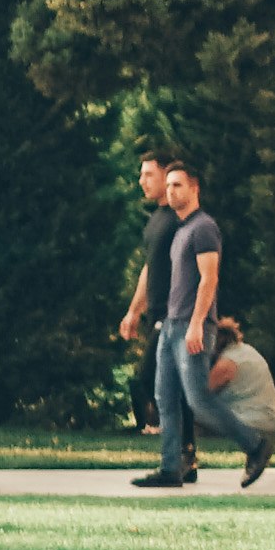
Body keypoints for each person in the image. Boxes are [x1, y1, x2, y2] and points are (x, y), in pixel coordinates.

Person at [130, 159, 275, 490]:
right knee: (164, 397)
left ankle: (255, 446)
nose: (171, 190)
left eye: (177, 184)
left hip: (192, 327)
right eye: (168, 185)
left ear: (194, 188)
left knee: (198, 399)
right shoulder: (180, 231)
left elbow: (209, 279)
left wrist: (197, 323)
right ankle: (171, 469)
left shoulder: (204, 227)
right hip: (170, 324)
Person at [116, 149, 177, 435]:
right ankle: (182, 451)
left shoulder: (180, 219)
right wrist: (133, 311)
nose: (142, 181)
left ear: (167, 174)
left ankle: (173, 441)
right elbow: (149, 268)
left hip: (174, 313)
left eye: (149, 174)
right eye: (141, 175)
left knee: (151, 377)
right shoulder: (157, 219)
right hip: (155, 312)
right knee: (157, 380)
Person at [205, 315, 275, 476]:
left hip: (255, 420)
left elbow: (200, 395)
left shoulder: (226, 364)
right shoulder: (246, 350)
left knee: (197, 415)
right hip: (271, 417)